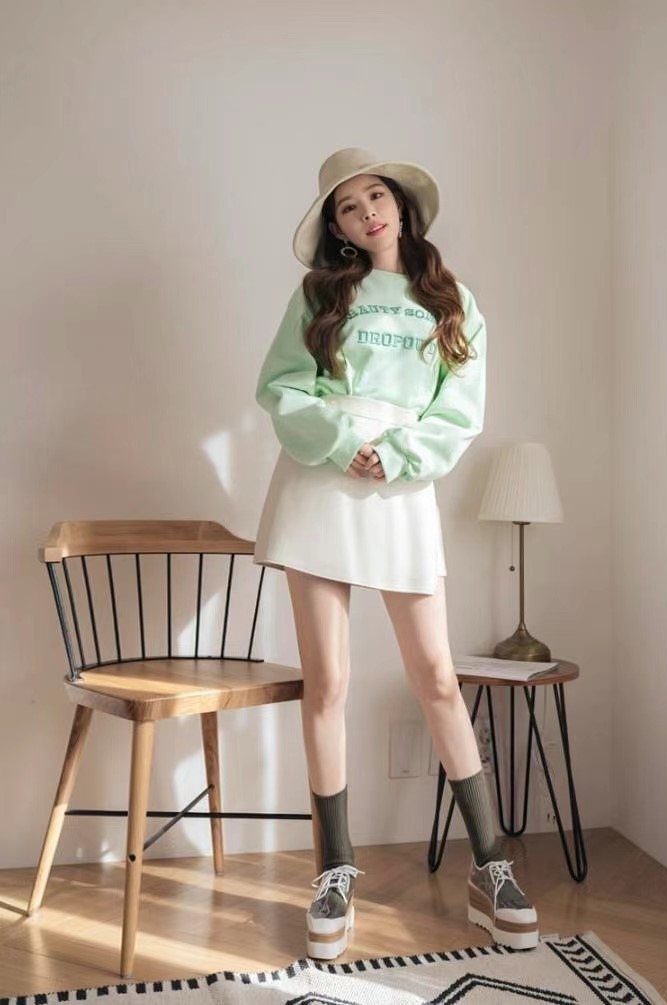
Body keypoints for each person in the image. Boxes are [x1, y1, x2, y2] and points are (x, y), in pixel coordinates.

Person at [253, 148, 538, 960]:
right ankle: (334, 870)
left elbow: (460, 411)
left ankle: (490, 866)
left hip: (401, 486)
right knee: (328, 682)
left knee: (437, 677)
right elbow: (281, 387)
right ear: (339, 228)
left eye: (376, 195)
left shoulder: (453, 302)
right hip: (320, 480)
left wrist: (398, 455)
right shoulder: (320, 294)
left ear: (402, 204)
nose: (368, 211)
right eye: (349, 206)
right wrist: (344, 442)